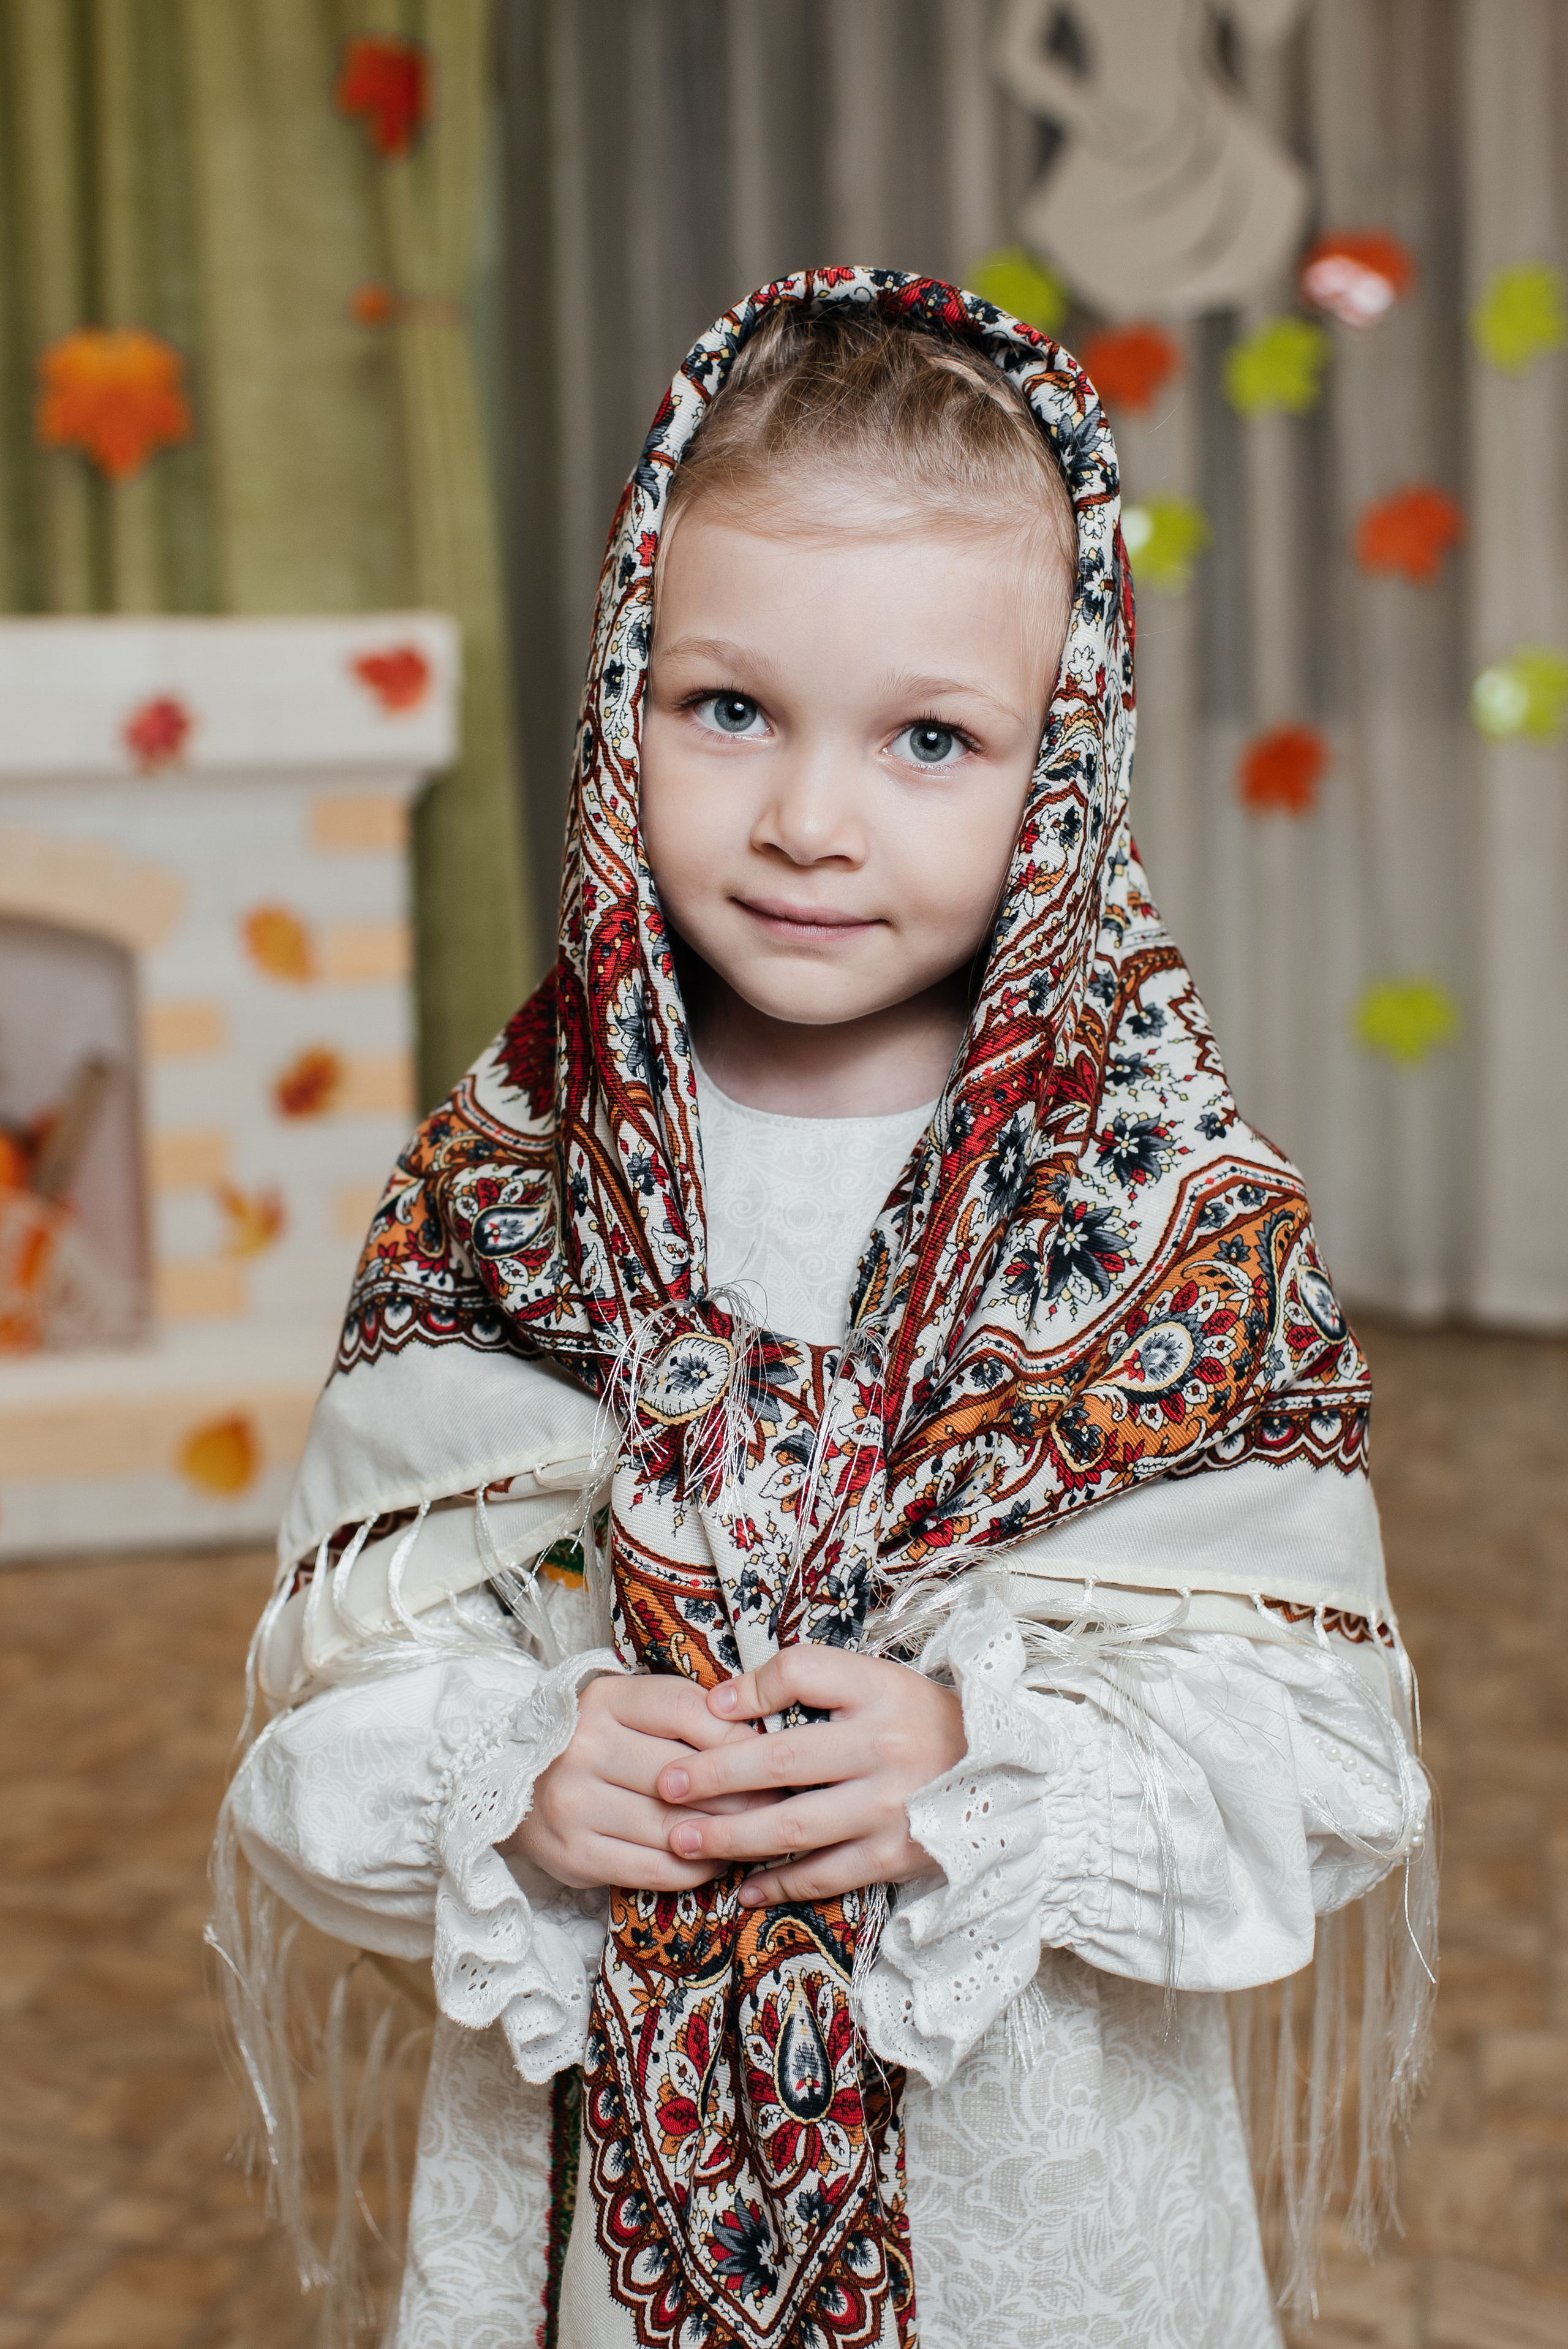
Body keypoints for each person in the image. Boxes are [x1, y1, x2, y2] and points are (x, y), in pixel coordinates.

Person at [216, 269, 1434, 2349]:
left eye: (931, 739)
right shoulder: (508, 1184)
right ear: (624, 691)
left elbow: (1324, 1761)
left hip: (1035, 2207)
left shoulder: (1173, 1213)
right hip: (599, 2203)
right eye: (730, 708)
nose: (807, 818)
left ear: (1065, 766)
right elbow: (325, 1714)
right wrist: (517, 1772)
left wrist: (989, 1758)